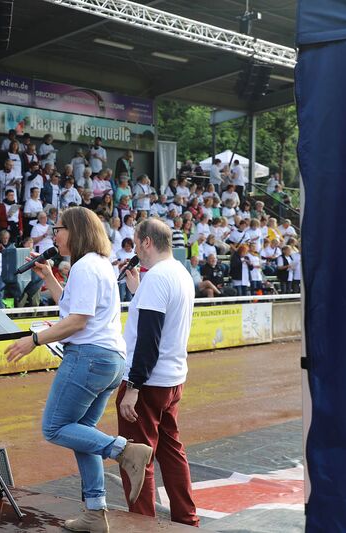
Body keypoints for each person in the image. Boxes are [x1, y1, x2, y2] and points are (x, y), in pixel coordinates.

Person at [5, 207, 152, 533]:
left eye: (58, 228)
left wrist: (34, 339)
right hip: (109, 360)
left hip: (89, 358)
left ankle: (125, 450)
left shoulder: (86, 267)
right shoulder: (96, 264)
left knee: (55, 428)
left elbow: (77, 321)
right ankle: (95, 513)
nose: (54, 235)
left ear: (75, 231)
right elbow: (75, 308)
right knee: (82, 434)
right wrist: (50, 279)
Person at [116, 218, 200, 527]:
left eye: (136, 241)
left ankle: (141, 524)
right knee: (171, 450)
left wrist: (133, 386)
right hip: (172, 378)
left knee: (136, 458)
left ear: (147, 242)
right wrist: (138, 290)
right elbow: (161, 323)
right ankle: (187, 518)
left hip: (148, 382)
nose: (134, 247)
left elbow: (149, 339)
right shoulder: (179, 273)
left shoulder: (157, 279)